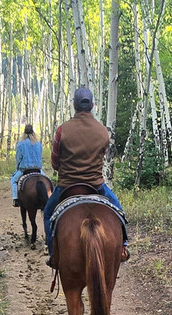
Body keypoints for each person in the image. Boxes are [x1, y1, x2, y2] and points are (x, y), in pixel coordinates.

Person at [44, 87, 128, 263]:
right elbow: (102, 155)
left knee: (48, 213)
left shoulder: (62, 130)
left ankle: (53, 254)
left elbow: (55, 161)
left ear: (74, 105)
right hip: (96, 185)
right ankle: (123, 246)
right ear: (92, 105)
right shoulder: (102, 131)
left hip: (67, 186)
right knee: (118, 210)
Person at [12, 124, 44, 206]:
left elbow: (18, 158)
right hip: (38, 169)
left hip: (25, 170)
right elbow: (40, 156)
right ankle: (49, 198)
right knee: (47, 181)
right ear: (33, 132)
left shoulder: (20, 144)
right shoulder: (38, 144)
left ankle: (15, 199)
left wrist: (18, 167)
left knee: (13, 180)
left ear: (24, 133)